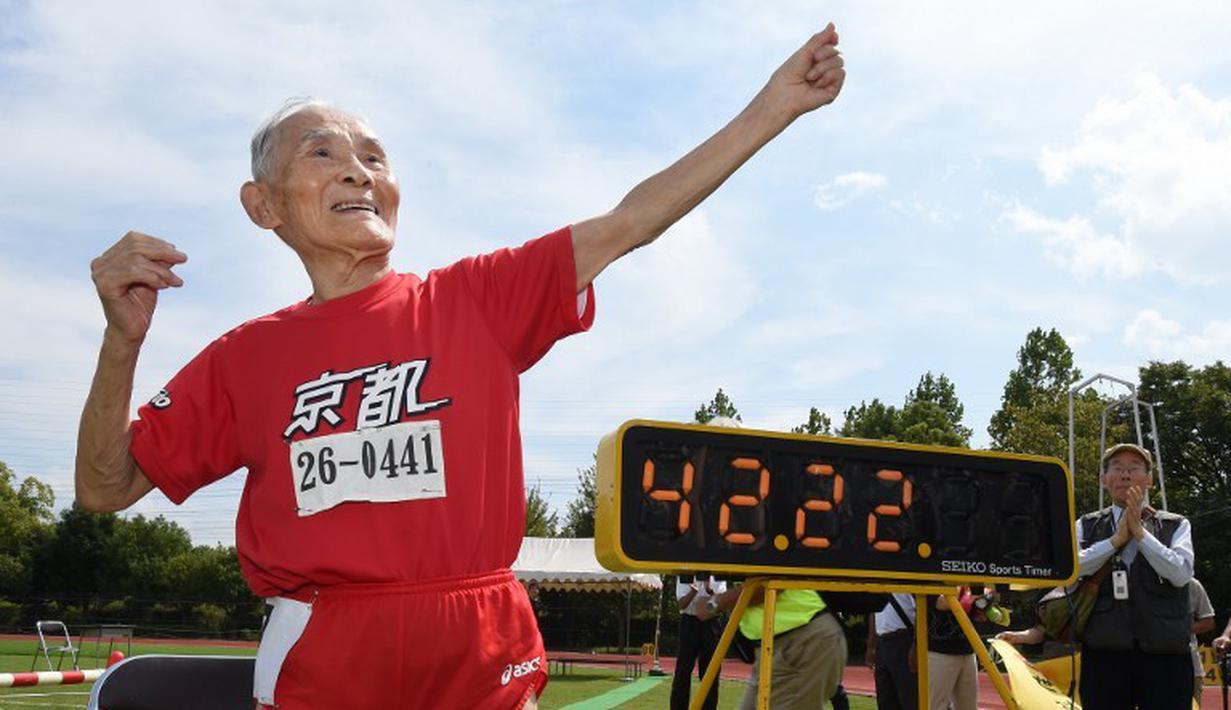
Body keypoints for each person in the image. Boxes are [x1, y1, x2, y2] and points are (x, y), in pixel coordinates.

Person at [73, 23, 847, 710]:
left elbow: (628, 223)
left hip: (479, 636)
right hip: (322, 642)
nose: (357, 171)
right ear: (263, 204)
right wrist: (122, 342)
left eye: (373, 157)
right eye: (323, 153)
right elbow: (104, 488)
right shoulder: (244, 358)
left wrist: (772, 109)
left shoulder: (474, 299)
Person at [1076, 443, 1195, 710]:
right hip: (1104, 653)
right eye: (1117, 468)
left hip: (1166, 655)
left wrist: (1140, 533)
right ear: (1103, 479)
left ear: (1149, 479)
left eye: (1134, 468)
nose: (1125, 475)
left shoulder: (1175, 524)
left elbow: (1180, 573)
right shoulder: (1085, 525)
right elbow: (1073, 568)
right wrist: (1115, 541)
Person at [699, 585, 846, 710]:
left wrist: (715, 603)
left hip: (801, 643)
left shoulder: (765, 553)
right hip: (779, 648)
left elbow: (769, 585)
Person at [672, 574, 727, 710]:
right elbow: (681, 605)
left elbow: (720, 605)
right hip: (689, 622)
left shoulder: (718, 574)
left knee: (710, 671)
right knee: (683, 671)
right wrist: (693, 592)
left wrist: (709, 590)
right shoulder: (685, 573)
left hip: (711, 622)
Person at [926, 590, 978, 710]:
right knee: (936, 705)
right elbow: (941, 603)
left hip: (968, 649)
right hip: (939, 651)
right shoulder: (928, 575)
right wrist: (975, 598)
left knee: (969, 706)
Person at [866, 593, 917, 710]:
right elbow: (873, 613)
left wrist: (915, 645)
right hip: (882, 642)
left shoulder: (907, 578)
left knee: (910, 697)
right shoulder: (877, 582)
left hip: (904, 639)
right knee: (885, 699)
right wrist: (871, 646)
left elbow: (920, 611)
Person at [1189, 578, 1216, 703]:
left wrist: (1176, 629)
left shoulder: (1192, 584)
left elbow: (1208, 622)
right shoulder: (1140, 581)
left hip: (1190, 666)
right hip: (1149, 663)